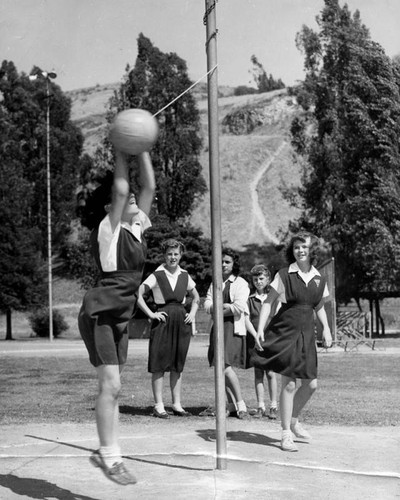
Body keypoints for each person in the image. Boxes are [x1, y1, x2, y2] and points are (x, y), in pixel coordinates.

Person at [78, 150, 155, 485]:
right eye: (121, 198)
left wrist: (143, 149)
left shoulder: (136, 227)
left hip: (120, 314)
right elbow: (123, 190)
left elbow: (148, 187)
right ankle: (110, 456)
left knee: (112, 389)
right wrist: (121, 155)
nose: (131, 197)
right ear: (110, 207)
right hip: (101, 311)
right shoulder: (108, 229)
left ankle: (106, 451)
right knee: (112, 384)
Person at [251, 231, 332, 452]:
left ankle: (294, 421)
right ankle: (285, 433)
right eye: (296, 247)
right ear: (292, 250)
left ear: (312, 250)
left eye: (304, 246)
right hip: (285, 330)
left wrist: (326, 329)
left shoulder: (319, 278)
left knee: (311, 384)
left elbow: (319, 306)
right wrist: (260, 329)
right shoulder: (284, 274)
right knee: (289, 383)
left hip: (307, 332)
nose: (300, 250)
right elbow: (268, 302)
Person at [137, 239, 200, 418]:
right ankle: (159, 406)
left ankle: (177, 405)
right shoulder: (157, 274)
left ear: (180, 255)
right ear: (164, 255)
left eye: (176, 254)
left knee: (176, 365)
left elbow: (196, 297)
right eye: (169, 254)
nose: (173, 257)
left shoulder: (185, 275)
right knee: (159, 364)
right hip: (163, 320)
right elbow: (139, 294)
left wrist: (193, 313)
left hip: (181, 320)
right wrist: (151, 314)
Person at [202, 248, 249, 419]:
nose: (223, 264)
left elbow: (239, 307)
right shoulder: (216, 282)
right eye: (221, 261)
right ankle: (230, 405)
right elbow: (207, 304)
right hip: (218, 327)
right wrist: (223, 307)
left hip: (231, 327)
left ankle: (241, 403)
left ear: (234, 264)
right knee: (219, 367)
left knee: (225, 366)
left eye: (227, 262)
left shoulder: (241, 283)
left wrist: (219, 308)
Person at [244, 264, 279, 419]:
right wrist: (255, 335)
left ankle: (273, 406)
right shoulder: (250, 299)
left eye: (261, 278)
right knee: (258, 374)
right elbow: (246, 319)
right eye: (255, 279)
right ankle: (260, 406)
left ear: (268, 279)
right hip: (255, 341)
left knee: (271, 373)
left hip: (270, 340)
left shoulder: (274, 298)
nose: (258, 282)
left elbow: (277, 318)